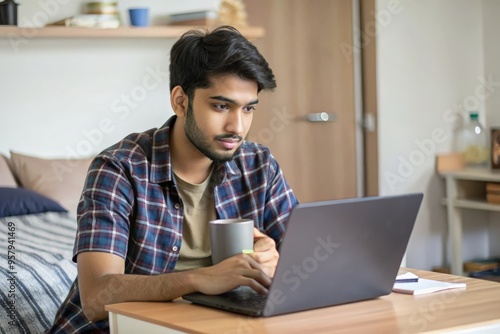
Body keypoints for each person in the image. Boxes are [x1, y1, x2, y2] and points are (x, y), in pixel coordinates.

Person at [47, 25, 298, 333]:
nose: (237, 126)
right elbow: (97, 296)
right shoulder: (118, 168)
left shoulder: (259, 165)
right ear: (181, 101)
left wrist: (273, 261)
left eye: (248, 109)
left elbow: (309, 262)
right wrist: (199, 279)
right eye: (221, 106)